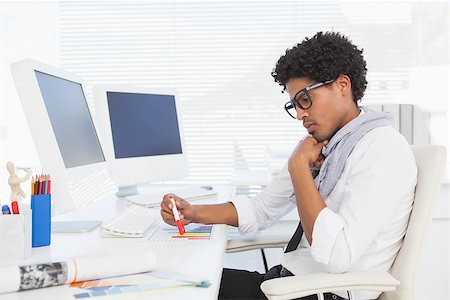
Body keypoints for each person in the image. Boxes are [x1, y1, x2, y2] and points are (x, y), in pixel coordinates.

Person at [160, 32, 417, 300]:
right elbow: (261, 209)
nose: (300, 114)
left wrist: (299, 169)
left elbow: (338, 256)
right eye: (294, 104)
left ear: (342, 85)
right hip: (285, 283)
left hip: (318, 293)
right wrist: (193, 213)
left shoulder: (382, 149)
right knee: (179, 283)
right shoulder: (323, 146)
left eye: (305, 99)